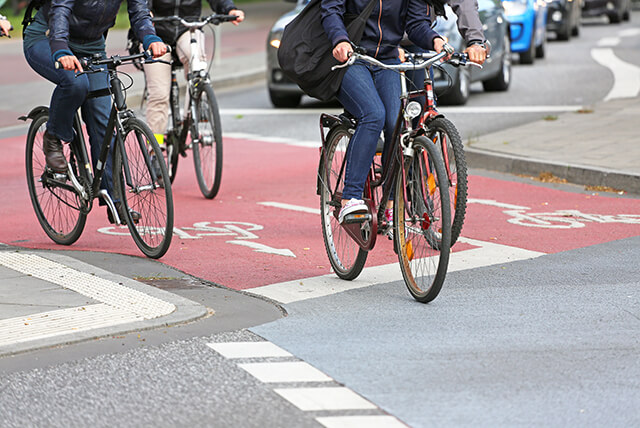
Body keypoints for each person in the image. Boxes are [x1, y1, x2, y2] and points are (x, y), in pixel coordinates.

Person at [23, 0, 166, 222]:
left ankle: (115, 201)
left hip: (91, 46)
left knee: (103, 121)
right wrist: (60, 47)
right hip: (49, 37)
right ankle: (53, 136)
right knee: (75, 84)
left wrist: (150, 37)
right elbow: (60, 10)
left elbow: (139, 12)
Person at [320, 0, 449, 224]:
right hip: (352, 57)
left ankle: (390, 204)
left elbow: (416, 23)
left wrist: (435, 40)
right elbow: (331, 10)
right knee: (373, 114)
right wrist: (340, 39)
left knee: (397, 123)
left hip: (386, 59)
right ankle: (350, 197)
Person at [144, 0, 245, 147]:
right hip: (156, 33)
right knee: (159, 94)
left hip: (188, 28)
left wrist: (230, 10)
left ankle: (195, 106)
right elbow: (140, 5)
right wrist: (147, 15)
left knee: (197, 60)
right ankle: (154, 150)